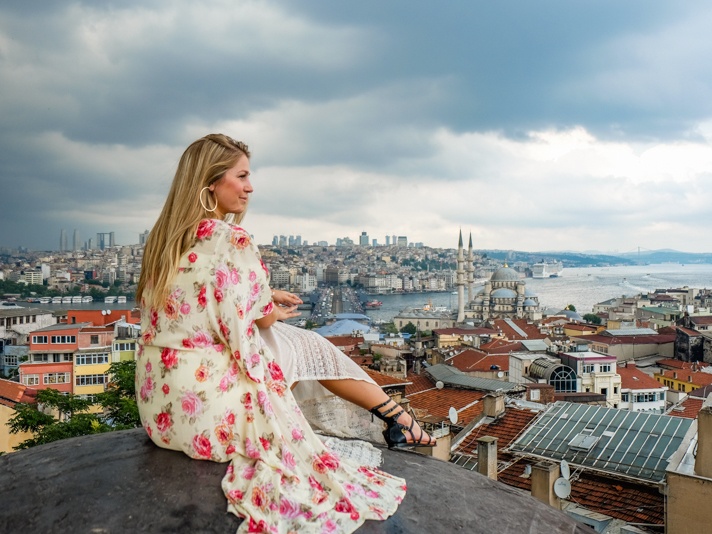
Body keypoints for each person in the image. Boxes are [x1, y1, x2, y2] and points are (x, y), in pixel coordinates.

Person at [135, 134, 434, 533]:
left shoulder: (162, 241)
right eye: (241, 176)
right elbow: (262, 321)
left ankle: (397, 418)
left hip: (160, 408)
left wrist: (263, 296)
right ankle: (400, 418)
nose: (249, 187)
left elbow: (202, 298)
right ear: (211, 185)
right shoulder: (231, 239)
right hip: (209, 415)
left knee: (299, 341)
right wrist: (270, 305)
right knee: (306, 341)